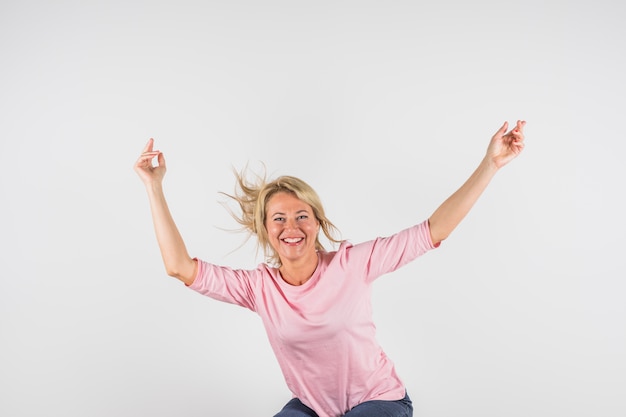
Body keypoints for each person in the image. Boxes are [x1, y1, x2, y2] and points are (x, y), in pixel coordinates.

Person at [133, 120, 526, 417]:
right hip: (313, 409)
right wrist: (154, 186)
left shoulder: (353, 264)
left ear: (317, 222)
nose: (291, 228)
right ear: (266, 230)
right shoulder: (258, 288)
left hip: (379, 401)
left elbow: (434, 230)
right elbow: (178, 266)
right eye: (279, 219)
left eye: (302, 216)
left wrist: (489, 165)